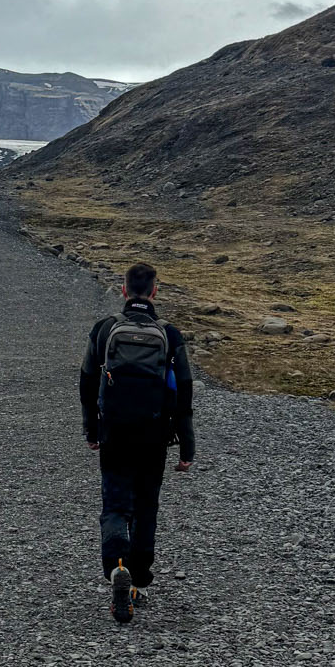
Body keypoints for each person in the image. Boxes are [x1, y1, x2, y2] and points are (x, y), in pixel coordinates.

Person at [79, 261, 194, 624]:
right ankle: (139, 581)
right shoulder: (169, 334)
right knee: (146, 505)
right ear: (155, 291)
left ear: (124, 290)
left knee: (115, 505)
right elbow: (185, 392)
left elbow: (85, 383)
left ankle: (116, 570)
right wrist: (187, 446)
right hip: (154, 434)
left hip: (114, 431)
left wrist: (91, 430)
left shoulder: (105, 329)